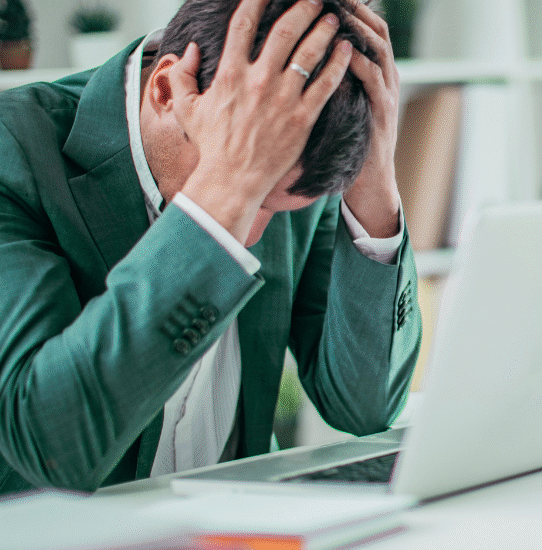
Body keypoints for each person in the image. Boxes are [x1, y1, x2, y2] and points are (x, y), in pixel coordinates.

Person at [0, 0, 421, 495]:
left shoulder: (293, 150)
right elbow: (49, 442)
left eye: (274, 205)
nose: (253, 235)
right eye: (255, 197)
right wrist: (223, 195)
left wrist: (375, 185)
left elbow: (364, 408)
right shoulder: (16, 151)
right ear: (164, 90)